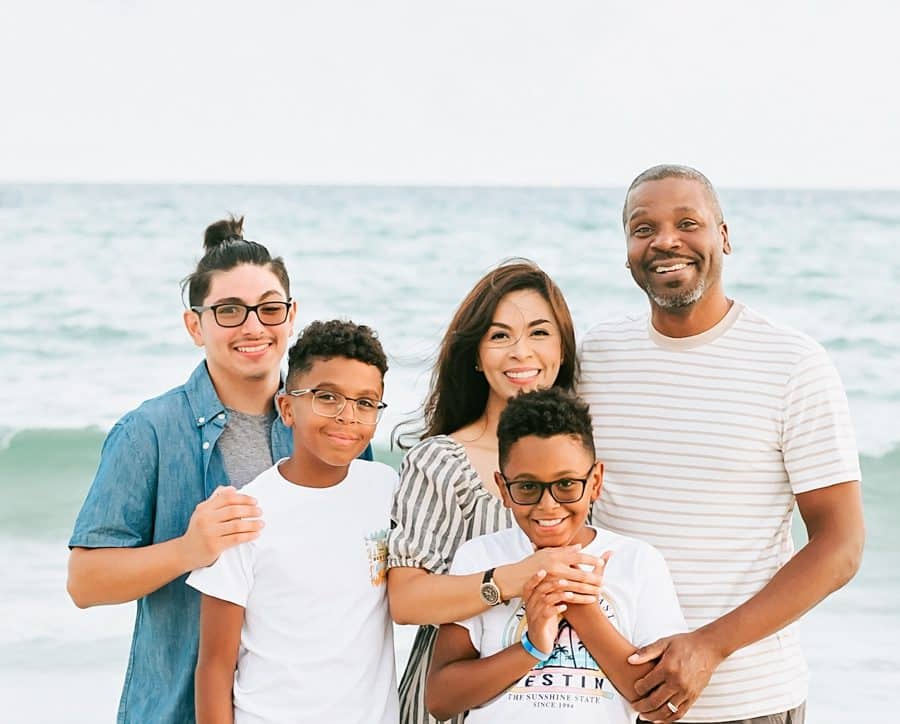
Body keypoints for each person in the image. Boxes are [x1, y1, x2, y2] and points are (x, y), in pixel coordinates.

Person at [577, 164, 865, 724]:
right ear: (627, 248)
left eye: (689, 222)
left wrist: (709, 645)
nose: (665, 241)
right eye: (643, 229)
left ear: (724, 237)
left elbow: (841, 546)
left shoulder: (792, 365)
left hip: (750, 702)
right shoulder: (596, 356)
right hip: (611, 697)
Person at [67, 217, 368, 723]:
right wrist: (190, 549)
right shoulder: (150, 432)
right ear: (195, 325)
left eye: (269, 309)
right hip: (178, 711)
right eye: (229, 311)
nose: (253, 326)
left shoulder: (335, 427)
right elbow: (85, 582)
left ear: (291, 317)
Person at [388, 260, 605, 724]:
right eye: (500, 335)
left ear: (563, 349)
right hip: (453, 703)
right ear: (476, 352)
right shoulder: (442, 462)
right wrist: (517, 577)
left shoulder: (583, 459)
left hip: (569, 697)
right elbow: (405, 602)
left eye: (539, 333)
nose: (520, 353)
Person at [426, 388, 686, 723]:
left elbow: (657, 701)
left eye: (566, 484)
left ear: (595, 482)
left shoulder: (638, 562)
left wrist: (578, 602)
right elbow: (441, 699)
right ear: (503, 489)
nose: (548, 505)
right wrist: (531, 646)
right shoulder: (480, 556)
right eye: (527, 487)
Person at [187, 319, 398, 724]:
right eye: (327, 397)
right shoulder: (246, 511)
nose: (347, 416)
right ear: (287, 408)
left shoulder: (387, 490)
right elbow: (214, 666)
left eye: (365, 402)